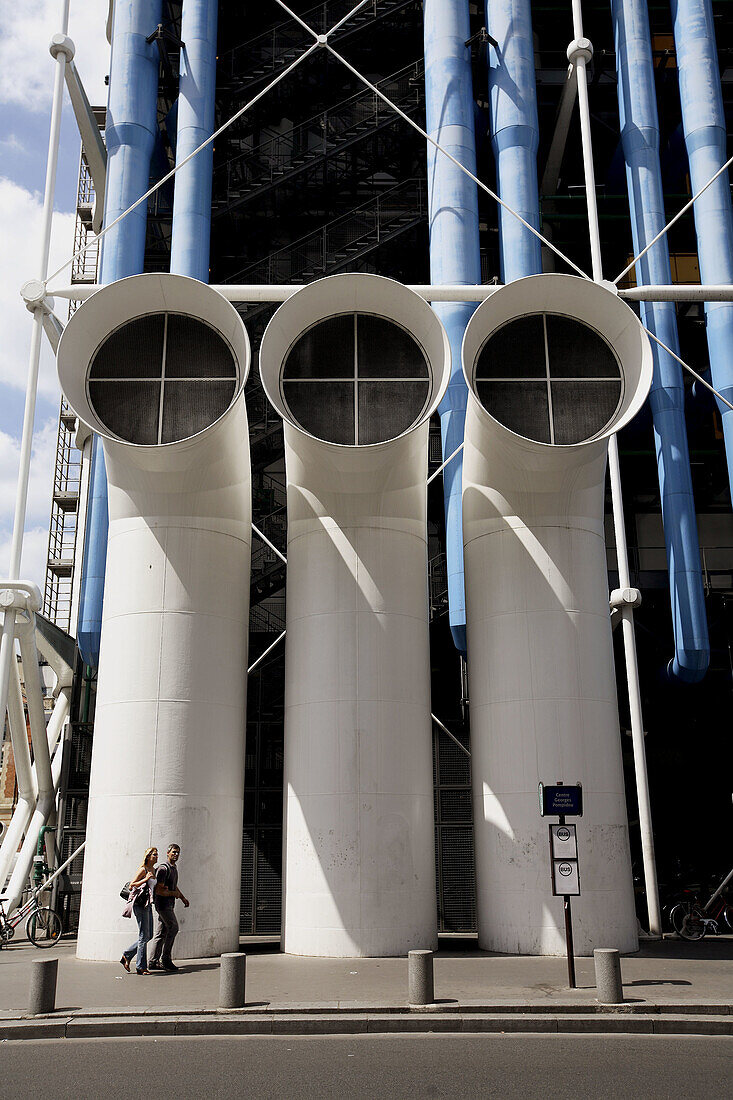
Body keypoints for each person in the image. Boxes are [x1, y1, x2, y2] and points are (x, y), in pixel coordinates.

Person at [148, 843, 189, 972]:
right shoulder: (163, 869)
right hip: (163, 905)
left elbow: (173, 886)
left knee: (161, 932)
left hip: (169, 904)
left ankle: (153, 961)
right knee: (173, 927)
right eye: (173, 852)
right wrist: (174, 894)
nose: (176, 854)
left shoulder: (173, 868)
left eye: (178, 852)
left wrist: (182, 897)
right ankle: (165, 959)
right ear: (168, 853)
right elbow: (160, 891)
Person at [120, 846, 157, 975]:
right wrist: (146, 879)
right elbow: (132, 885)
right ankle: (141, 967)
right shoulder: (143, 869)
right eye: (154, 855)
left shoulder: (154, 870)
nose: (156, 857)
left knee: (149, 935)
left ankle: (127, 955)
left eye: (157, 855)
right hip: (140, 904)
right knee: (143, 936)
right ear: (148, 857)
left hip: (148, 904)